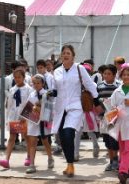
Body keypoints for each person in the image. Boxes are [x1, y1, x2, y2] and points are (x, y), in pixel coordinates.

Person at [50, 44, 98, 178]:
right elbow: (55, 89)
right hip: (60, 108)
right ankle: (69, 163)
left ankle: (70, 164)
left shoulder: (79, 68)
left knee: (68, 134)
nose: (65, 55)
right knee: (63, 138)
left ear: (73, 56)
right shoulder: (57, 71)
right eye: (64, 53)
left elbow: (89, 85)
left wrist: (97, 101)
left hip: (75, 107)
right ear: (61, 55)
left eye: (68, 53)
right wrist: (49, 92)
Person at [0, 69, 33, 168]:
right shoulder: (12, 89)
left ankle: (29, 157)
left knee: (26, 137)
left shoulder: (28, 89)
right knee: (12, 137)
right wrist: (8, 119)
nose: (17, 79)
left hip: (24, 117)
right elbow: (9, 105)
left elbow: (30, 105)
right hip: (13, 117)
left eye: (19, 77)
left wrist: (25, 117)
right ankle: (6, 159)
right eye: (15, 77)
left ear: (23, 77)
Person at [24, 74, 54, 174]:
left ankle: (50, 157)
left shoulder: (47, 94)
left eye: (38, 83)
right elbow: (28, 108)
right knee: (32, 142)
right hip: (33, 121)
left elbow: (51, 108)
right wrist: (33, 109)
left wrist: (41, 109)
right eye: (34, 83)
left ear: (43, 83)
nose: (36, 85)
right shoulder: (31, 94)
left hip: (43, 121)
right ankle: (32, 164)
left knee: (45, 141)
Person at [96, 64, 121, 171]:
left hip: (116, 118)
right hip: (104, 118)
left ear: (114, 75)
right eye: (104, 73)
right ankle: (111, 161)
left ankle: (115, 159)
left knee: (114, 140)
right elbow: (96, 102)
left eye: (109, 74)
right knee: (107, 141)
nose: (106, 75)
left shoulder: (119, 86)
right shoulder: (99, 86)